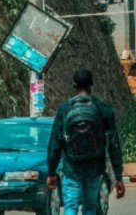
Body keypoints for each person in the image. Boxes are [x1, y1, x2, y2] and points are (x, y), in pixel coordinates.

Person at [47, 69, 125, 215]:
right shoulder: (103, 109)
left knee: (70, 206)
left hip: (71, 168)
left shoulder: (65, 110)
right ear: (91, 85)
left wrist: (51, 172)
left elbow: (55, 143)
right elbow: (114, 144)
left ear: (74, 85)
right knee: (89, 207)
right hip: (95, 168)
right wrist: (118, 176)